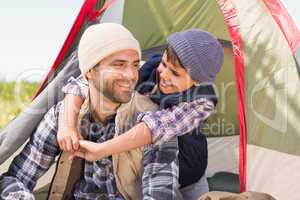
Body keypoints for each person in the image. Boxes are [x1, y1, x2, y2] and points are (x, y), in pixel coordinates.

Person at [0, 23, 180, 200]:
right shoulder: (61, 117)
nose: (132, 75)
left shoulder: (155, 123)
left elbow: (160, 194)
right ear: (89, 72)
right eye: (119, 65)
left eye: (134, 65)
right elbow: (15, 179)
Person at [58, 28, 224, 199]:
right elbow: (85, 81)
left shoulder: (202, 102)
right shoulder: (148, 69)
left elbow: (156, 127)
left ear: (196, 81)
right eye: (164, 63)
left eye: (175, 73)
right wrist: (67, 124)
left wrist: (103, 149)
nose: (164, 75)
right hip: (144, 167)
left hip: (188, 175)